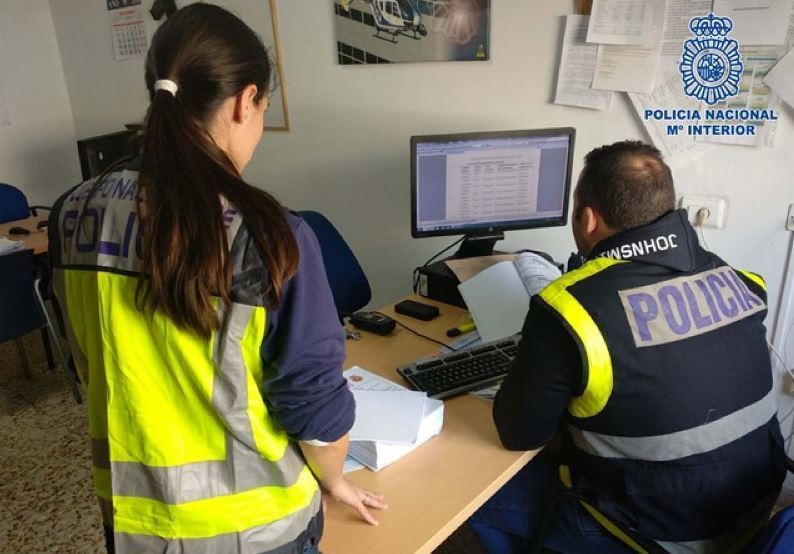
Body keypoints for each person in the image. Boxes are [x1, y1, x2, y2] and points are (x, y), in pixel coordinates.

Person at [48, 5, 386, 553]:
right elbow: (316, 413)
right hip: (255, 528)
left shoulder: (71, 212)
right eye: (262, 110)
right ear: (242, 102)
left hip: (133, 520)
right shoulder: (268, 233)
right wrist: (335, 479)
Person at [469, 140, 786, 552]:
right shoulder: (742, 282)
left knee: (469, 491)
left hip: (654, 536)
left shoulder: (568, 309)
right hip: (754, 515)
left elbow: (519, 434)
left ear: (588, 219)